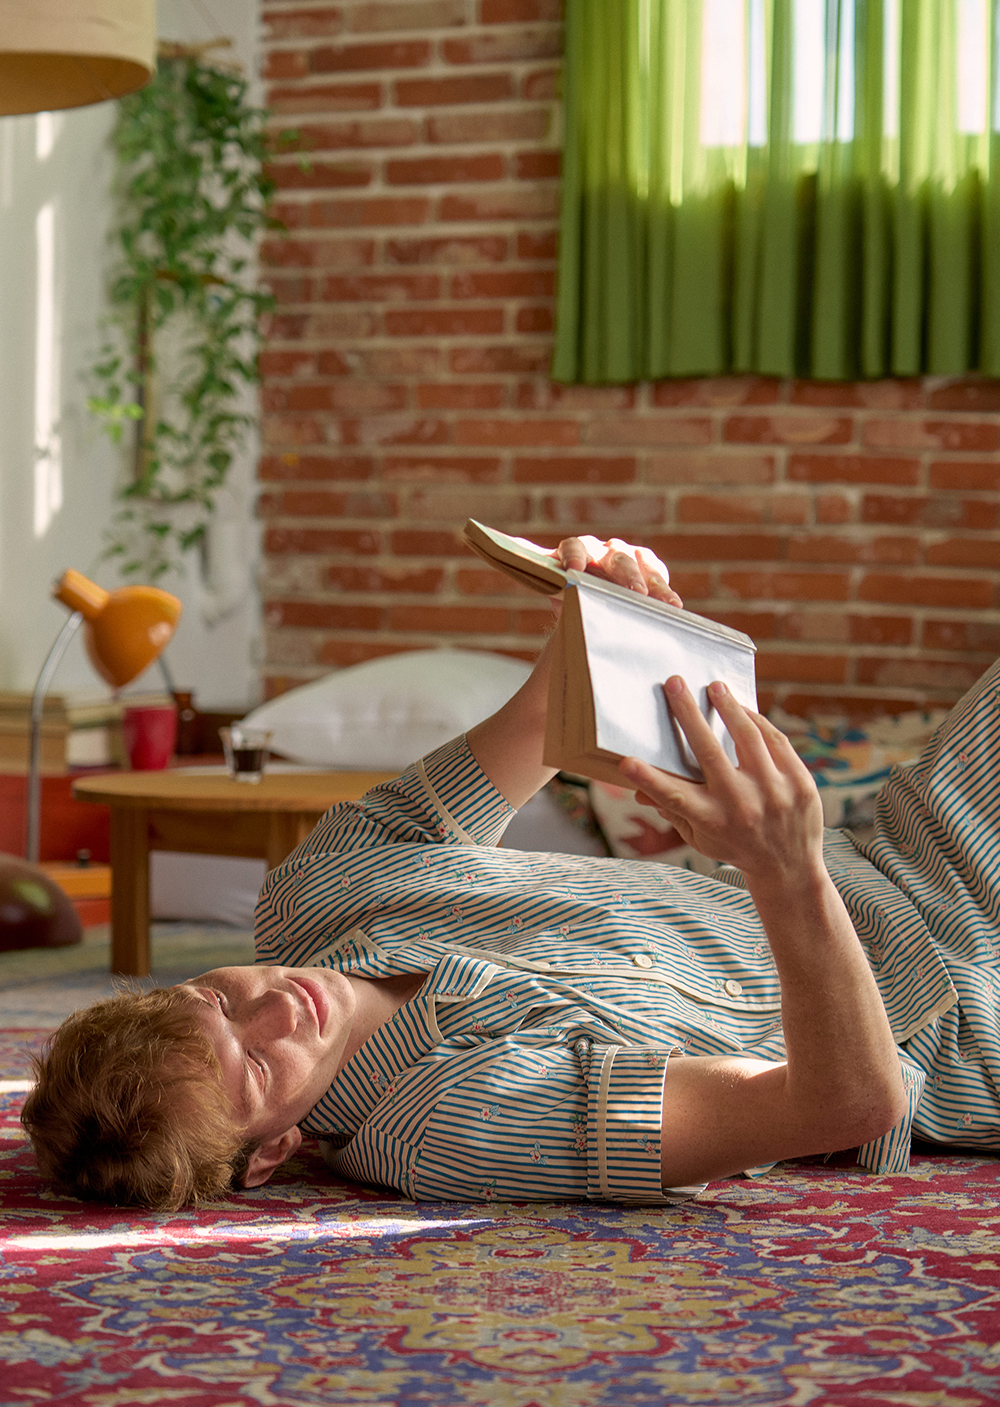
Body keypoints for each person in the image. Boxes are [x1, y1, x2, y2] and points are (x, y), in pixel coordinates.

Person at [21, 537, 1000, 1211]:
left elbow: (545, 709)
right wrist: (787, 875)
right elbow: (844, 1103)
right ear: (273, 1150)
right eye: (259, 1067)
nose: (281, 1007)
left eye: (218, 998)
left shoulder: (316, 892)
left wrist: (602, 612)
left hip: (901, 855)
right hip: (958, 1017)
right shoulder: (450, 1121)